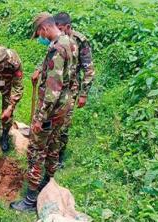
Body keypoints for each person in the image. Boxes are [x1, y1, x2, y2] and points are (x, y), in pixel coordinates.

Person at [10, 15, 73, 212]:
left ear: (45, 28)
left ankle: (30, 200)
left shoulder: (56, 49)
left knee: (36, 152)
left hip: (50, 110)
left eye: (39, 33)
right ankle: (49, 181)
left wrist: (39, 118)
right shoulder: (68, 42)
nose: (39, 37)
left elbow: (53, 90)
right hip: (63, 108)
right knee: (53, 145)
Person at [53, 12, 95, 166]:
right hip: (55, 86)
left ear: (68, 27)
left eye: (61, 28)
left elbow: (89, 70)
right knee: (51, 119)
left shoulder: (80, 41)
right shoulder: (56, 38)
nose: (58, 31)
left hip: (71, 88)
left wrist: (84, 94)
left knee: (64, 123)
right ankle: (50, 151)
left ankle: (60, 156)